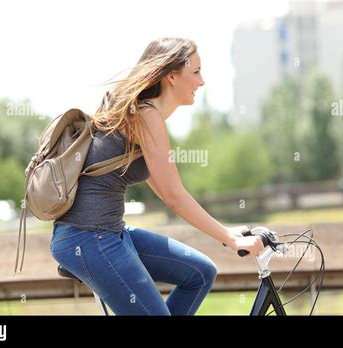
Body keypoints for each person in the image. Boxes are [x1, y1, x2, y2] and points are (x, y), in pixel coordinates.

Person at [50, 37, 265, 315]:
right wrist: (230, 238)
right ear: (172, 76)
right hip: (89, 239)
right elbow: (173, 194)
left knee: (200, 274)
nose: (202, 82)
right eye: (196, 72)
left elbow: (166, 190)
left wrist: (226, 233)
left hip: (109, 234)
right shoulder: (145, 114)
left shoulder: (140, 113)